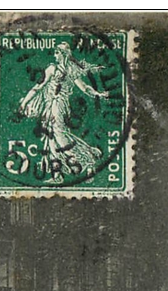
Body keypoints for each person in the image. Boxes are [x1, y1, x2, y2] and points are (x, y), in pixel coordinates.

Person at [18, 42, 109, 184]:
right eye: (55, 52)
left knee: (59, 137)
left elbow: (84, 88)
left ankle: (88, 162)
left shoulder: (71, 70)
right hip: (49, 107)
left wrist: (97, 94)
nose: (55, 55)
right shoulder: (52, 69)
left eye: (57, 52)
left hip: (59, 106)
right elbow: (38, 87)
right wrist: (24, 102)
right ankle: (57, 175)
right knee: (51, 139)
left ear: (64, 54)